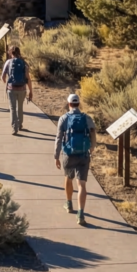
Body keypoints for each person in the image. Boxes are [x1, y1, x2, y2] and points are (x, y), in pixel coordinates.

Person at [55, 92, 97, 226]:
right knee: (82, 185)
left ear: (69, 104)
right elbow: (93, 132)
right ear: (78, 104)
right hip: (83, 154)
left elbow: (58, 138)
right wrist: (91, 148)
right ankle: (81, 214)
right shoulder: (87, 118)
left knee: (68, 178)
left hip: (68, 153)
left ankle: (68, 204)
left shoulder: (64, 118)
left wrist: (56, 155)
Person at [0, 48, 32, 135]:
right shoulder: (24, 63)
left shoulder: (8, 62)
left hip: (11, 89)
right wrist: (30, 91)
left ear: (11, 53)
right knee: (20, 107)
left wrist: (7, 84)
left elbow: (2, 76)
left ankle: (14, 128)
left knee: (13, 108)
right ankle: (20, 124)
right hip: (22, 89)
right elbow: (28, 78)